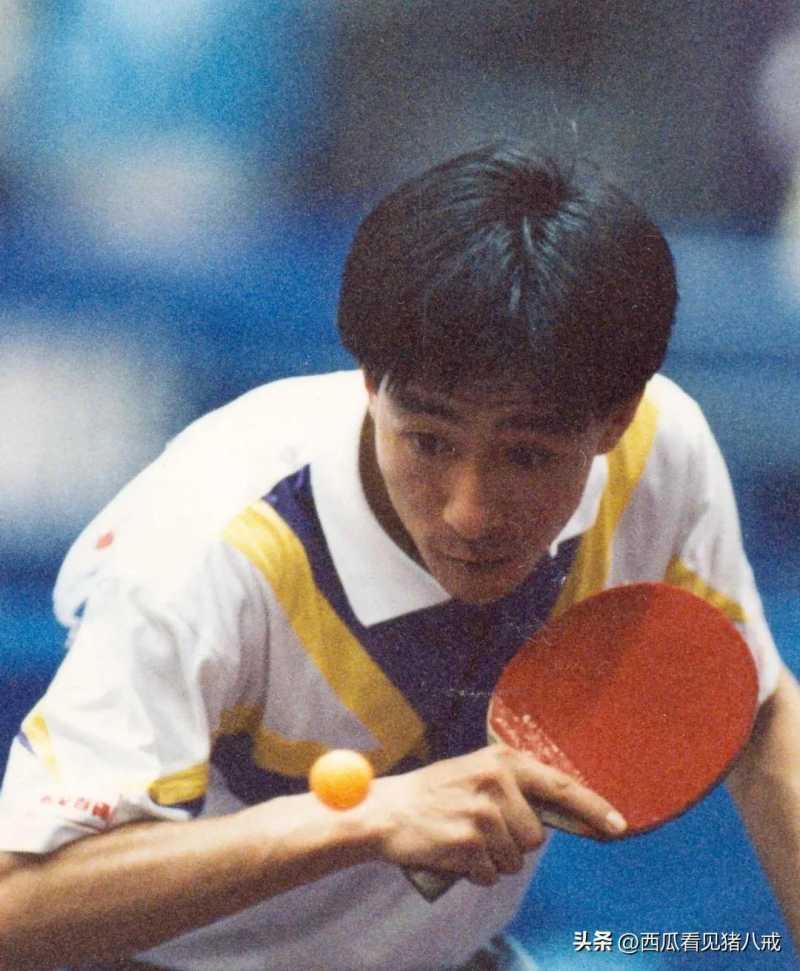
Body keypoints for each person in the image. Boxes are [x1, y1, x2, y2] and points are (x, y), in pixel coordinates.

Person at [0, 143, 797, 971]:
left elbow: (759, 709)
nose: (468, 512)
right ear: (369, 383)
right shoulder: (208, 542)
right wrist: (359, 818)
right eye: (428, 441)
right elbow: (16, 907)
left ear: (615, 419)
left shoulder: (657, 455)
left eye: (527, 455)